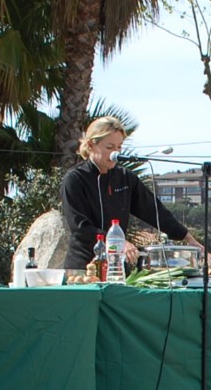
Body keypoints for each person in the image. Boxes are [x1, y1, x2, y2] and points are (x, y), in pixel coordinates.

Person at [61, 116, 201, 273]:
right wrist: (118, 243)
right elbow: (80, 227)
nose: (115, 153)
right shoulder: (75, 179)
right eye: (109, 147)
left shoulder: (126, 178)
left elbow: (155, 211)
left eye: (119, 147)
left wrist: (188, 238)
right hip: (83, 267)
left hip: (116, 268)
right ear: (91, 145)